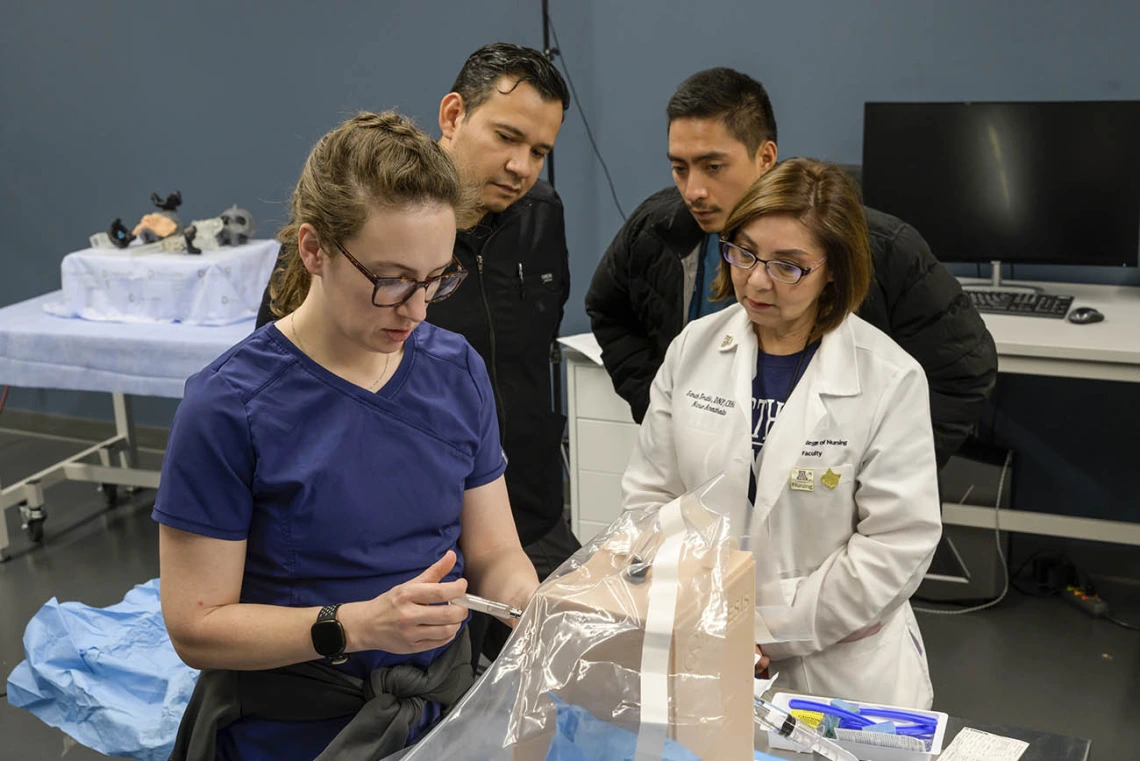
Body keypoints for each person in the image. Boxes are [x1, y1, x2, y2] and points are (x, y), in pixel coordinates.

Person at [156, 111, 540, 761]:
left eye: (436, 279)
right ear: (314, 249)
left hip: (440, 717)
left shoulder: (455, 369)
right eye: (391, 280)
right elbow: (198, 627)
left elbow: (496, 551)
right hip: (295, 730)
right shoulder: (229, 406)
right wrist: (358, 624)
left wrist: (533, 607)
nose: (417, 310)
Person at [256, 45, 578, 663]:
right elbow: (282, 380)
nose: (521, 166)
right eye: (507, 136)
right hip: (399, 534)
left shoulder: (542, 217)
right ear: (454, 115)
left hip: (521, 513)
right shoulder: (355, 233)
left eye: (540, 151)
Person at [622, 158, 942, 709]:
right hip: (705, 639)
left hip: (838, 667)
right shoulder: (693, 350)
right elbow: (651, 496)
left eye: (789, 266)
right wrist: (703, 607)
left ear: (835, 269)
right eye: (744, 252)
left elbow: (897, 542)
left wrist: (769, 627)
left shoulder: (889, 378)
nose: (757, 279)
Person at [586, 68, 996, 470]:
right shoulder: (655, 231)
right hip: (712, 488)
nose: (694, 190)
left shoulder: (880, 248)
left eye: (713, 167)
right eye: (680, 167)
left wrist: (887, 465)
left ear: (765, 157)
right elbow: (608, 310)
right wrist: (663, 409)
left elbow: (964, 370)